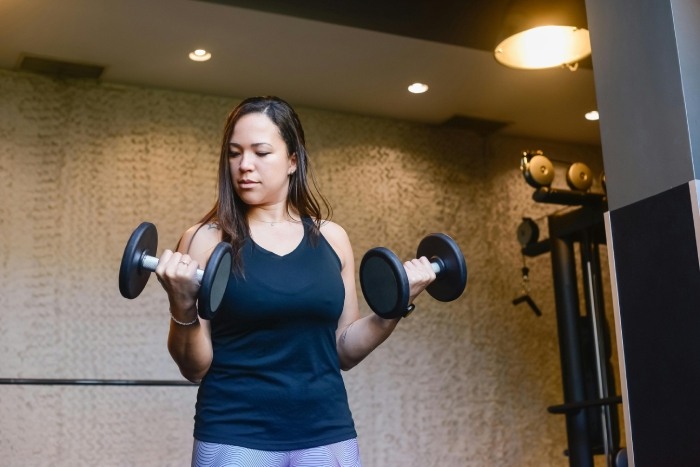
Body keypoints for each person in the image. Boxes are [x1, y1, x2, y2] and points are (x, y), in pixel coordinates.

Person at [155, 96, 436, 467]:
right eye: (234, 153)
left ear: (292, 161)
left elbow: (343, 349)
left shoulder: (332, 238)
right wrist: (182, 305)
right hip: (235, 432)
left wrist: (397, 305)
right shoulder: (205, 239)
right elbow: (195, 368)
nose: (244, 165)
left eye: (261, 152)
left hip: (327, 430)